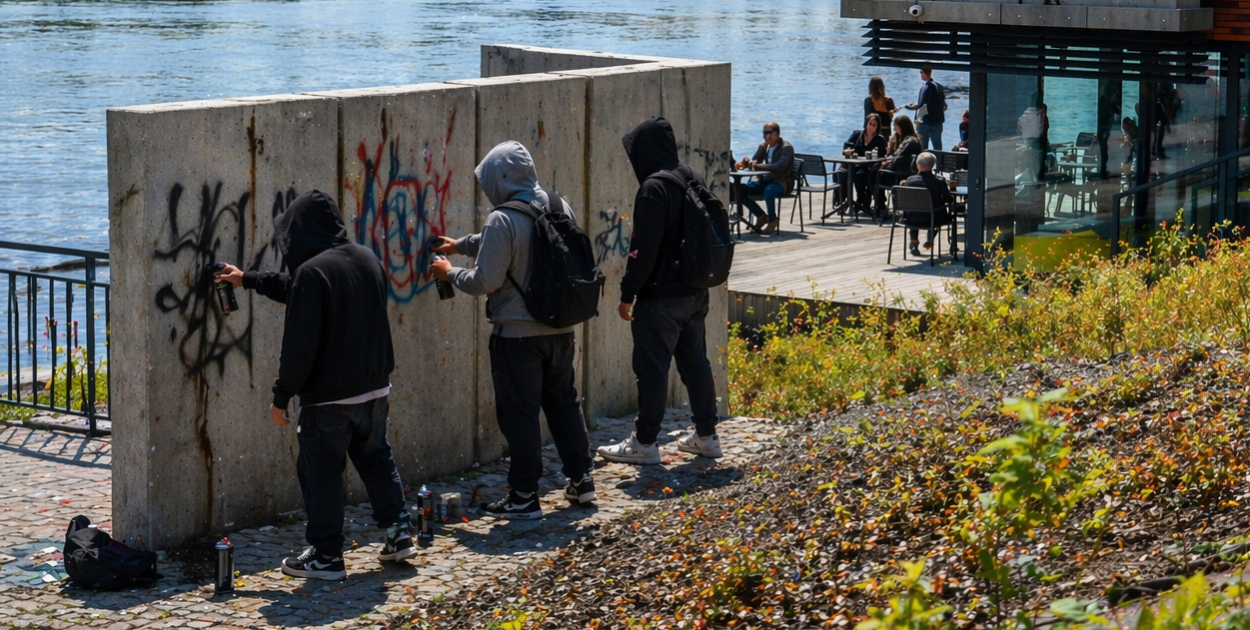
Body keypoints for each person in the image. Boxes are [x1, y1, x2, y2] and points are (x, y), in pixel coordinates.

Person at [214, 190, 412, 581]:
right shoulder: (365, 257)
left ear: (299, 232)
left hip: (329, 399)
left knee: (321, 472)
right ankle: (398, 533)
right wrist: (248, 279)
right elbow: (301, 288)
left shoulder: (312, 273)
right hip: (375, 389)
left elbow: (300, 345)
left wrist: (281, 395)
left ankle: (326, 556)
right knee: (376, 458)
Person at [429, 141, 594, 520]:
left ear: (499, 179)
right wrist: (462, 244)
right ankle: (582, 479)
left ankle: (523, 496)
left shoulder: (501, 218)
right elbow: (511, 242)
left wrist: (449, 272)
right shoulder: (557, 204)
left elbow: (486, 279)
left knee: (520, 415)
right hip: (561, 327)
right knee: (563, 404)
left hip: (518, 337)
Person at [598, 116, 722, 466]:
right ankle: (706, 435)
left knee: (652, 369)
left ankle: (645, 442)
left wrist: (627, 293)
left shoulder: (653, 188)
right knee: (695, 362)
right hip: (696, 289)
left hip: (661, 298)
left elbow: (642, 248)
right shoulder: (691, 175)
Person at [733, 121, 794, 234]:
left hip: (782, 182)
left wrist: (757, 166)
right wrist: (754, 156)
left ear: (777, 133)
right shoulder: (766, 146)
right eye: (764, 133)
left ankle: (772, 220)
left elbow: (780, 166)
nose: (766, 136)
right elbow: (756, 162)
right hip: (767, 180)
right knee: (742, 189)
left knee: (769, 191)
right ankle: (761, 216)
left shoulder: (786, 147)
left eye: (768, 133)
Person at [900, 152, 954, 257]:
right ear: (932, 166)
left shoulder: (909, 181)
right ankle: (930, 239)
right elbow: (948, 200)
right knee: (935, 210)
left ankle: (914, 242)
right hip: (934, 218)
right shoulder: (939, 181)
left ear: (917, 165)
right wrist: (952, 188)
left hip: (911, 219)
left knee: (915, 208)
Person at [873, 115, 923, 216]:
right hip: (908, 173)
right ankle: (880, 204)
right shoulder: (914, 140)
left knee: (873, 173)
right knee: (874, 172)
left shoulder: (908, 141)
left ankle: (880, 205)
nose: (894, 129)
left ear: (902, 127)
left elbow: (896, 159)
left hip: (899, 176)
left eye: (896, 126)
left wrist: (888, 160)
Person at [845, 114, 888, 214]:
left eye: (874, 125)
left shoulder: (879, 139)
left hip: (870, 166)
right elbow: (846, 147)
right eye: (870, 124)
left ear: (877, 127)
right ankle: (846, 201)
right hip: (855, 164)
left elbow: (882, 156)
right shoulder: (857, 135)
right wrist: (847, 152)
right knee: (844, 174)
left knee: (863, 175)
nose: (871, 127)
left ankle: (861, 202)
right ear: (866, 123)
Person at [905, 67, 945, 151]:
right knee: (937, 148)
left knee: (922, 148)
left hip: (924, 122)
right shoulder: (939, 87)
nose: (920, 74)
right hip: (937, 122)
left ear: (924, 73)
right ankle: (939, 164)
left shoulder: (925, 87)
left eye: (921, 72)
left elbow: (922, 105)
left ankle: (922, 164)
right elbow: (942, 105)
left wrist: (916, 119)